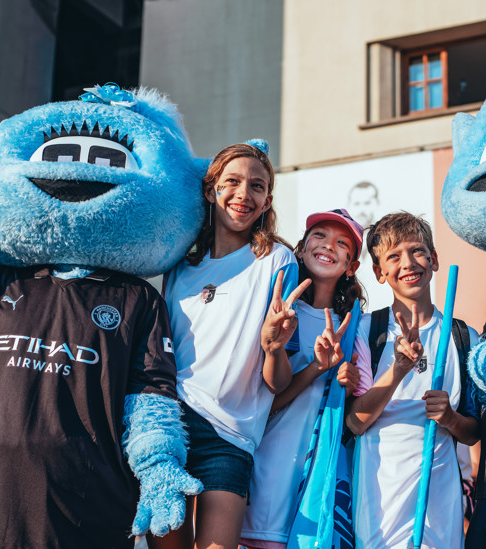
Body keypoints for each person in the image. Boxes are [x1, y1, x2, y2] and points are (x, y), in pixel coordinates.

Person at [159, 142, 309, 549]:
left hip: (230, 439)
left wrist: (274, 347)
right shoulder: (179, 266)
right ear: (211, 191)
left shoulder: (278, 262)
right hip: (169, 426)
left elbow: (277, 383)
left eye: (257, 186)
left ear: (267, 201)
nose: (244, 193)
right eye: (233, 182)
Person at [347, 211, 480, 549]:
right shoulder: (365, 331)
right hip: (378, 499)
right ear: (379, 273)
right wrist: (399, 369)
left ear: (434, 259)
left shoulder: (465, 337)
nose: (408, 262)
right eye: (393, 256)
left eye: (417, 251)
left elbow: (475, 431)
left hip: (440, 498)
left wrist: (450, 418)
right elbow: (355, 422)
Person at [241, 208, 373, 549]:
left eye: (342, 243)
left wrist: (347, 381)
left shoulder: (357, 328)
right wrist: (317, 367)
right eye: (320, 235)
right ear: (300, 248)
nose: (328, 246)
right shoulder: (277, 311)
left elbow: (357, 422)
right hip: (266, 477)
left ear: (351, 266)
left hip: (321, 483)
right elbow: (262, 405)